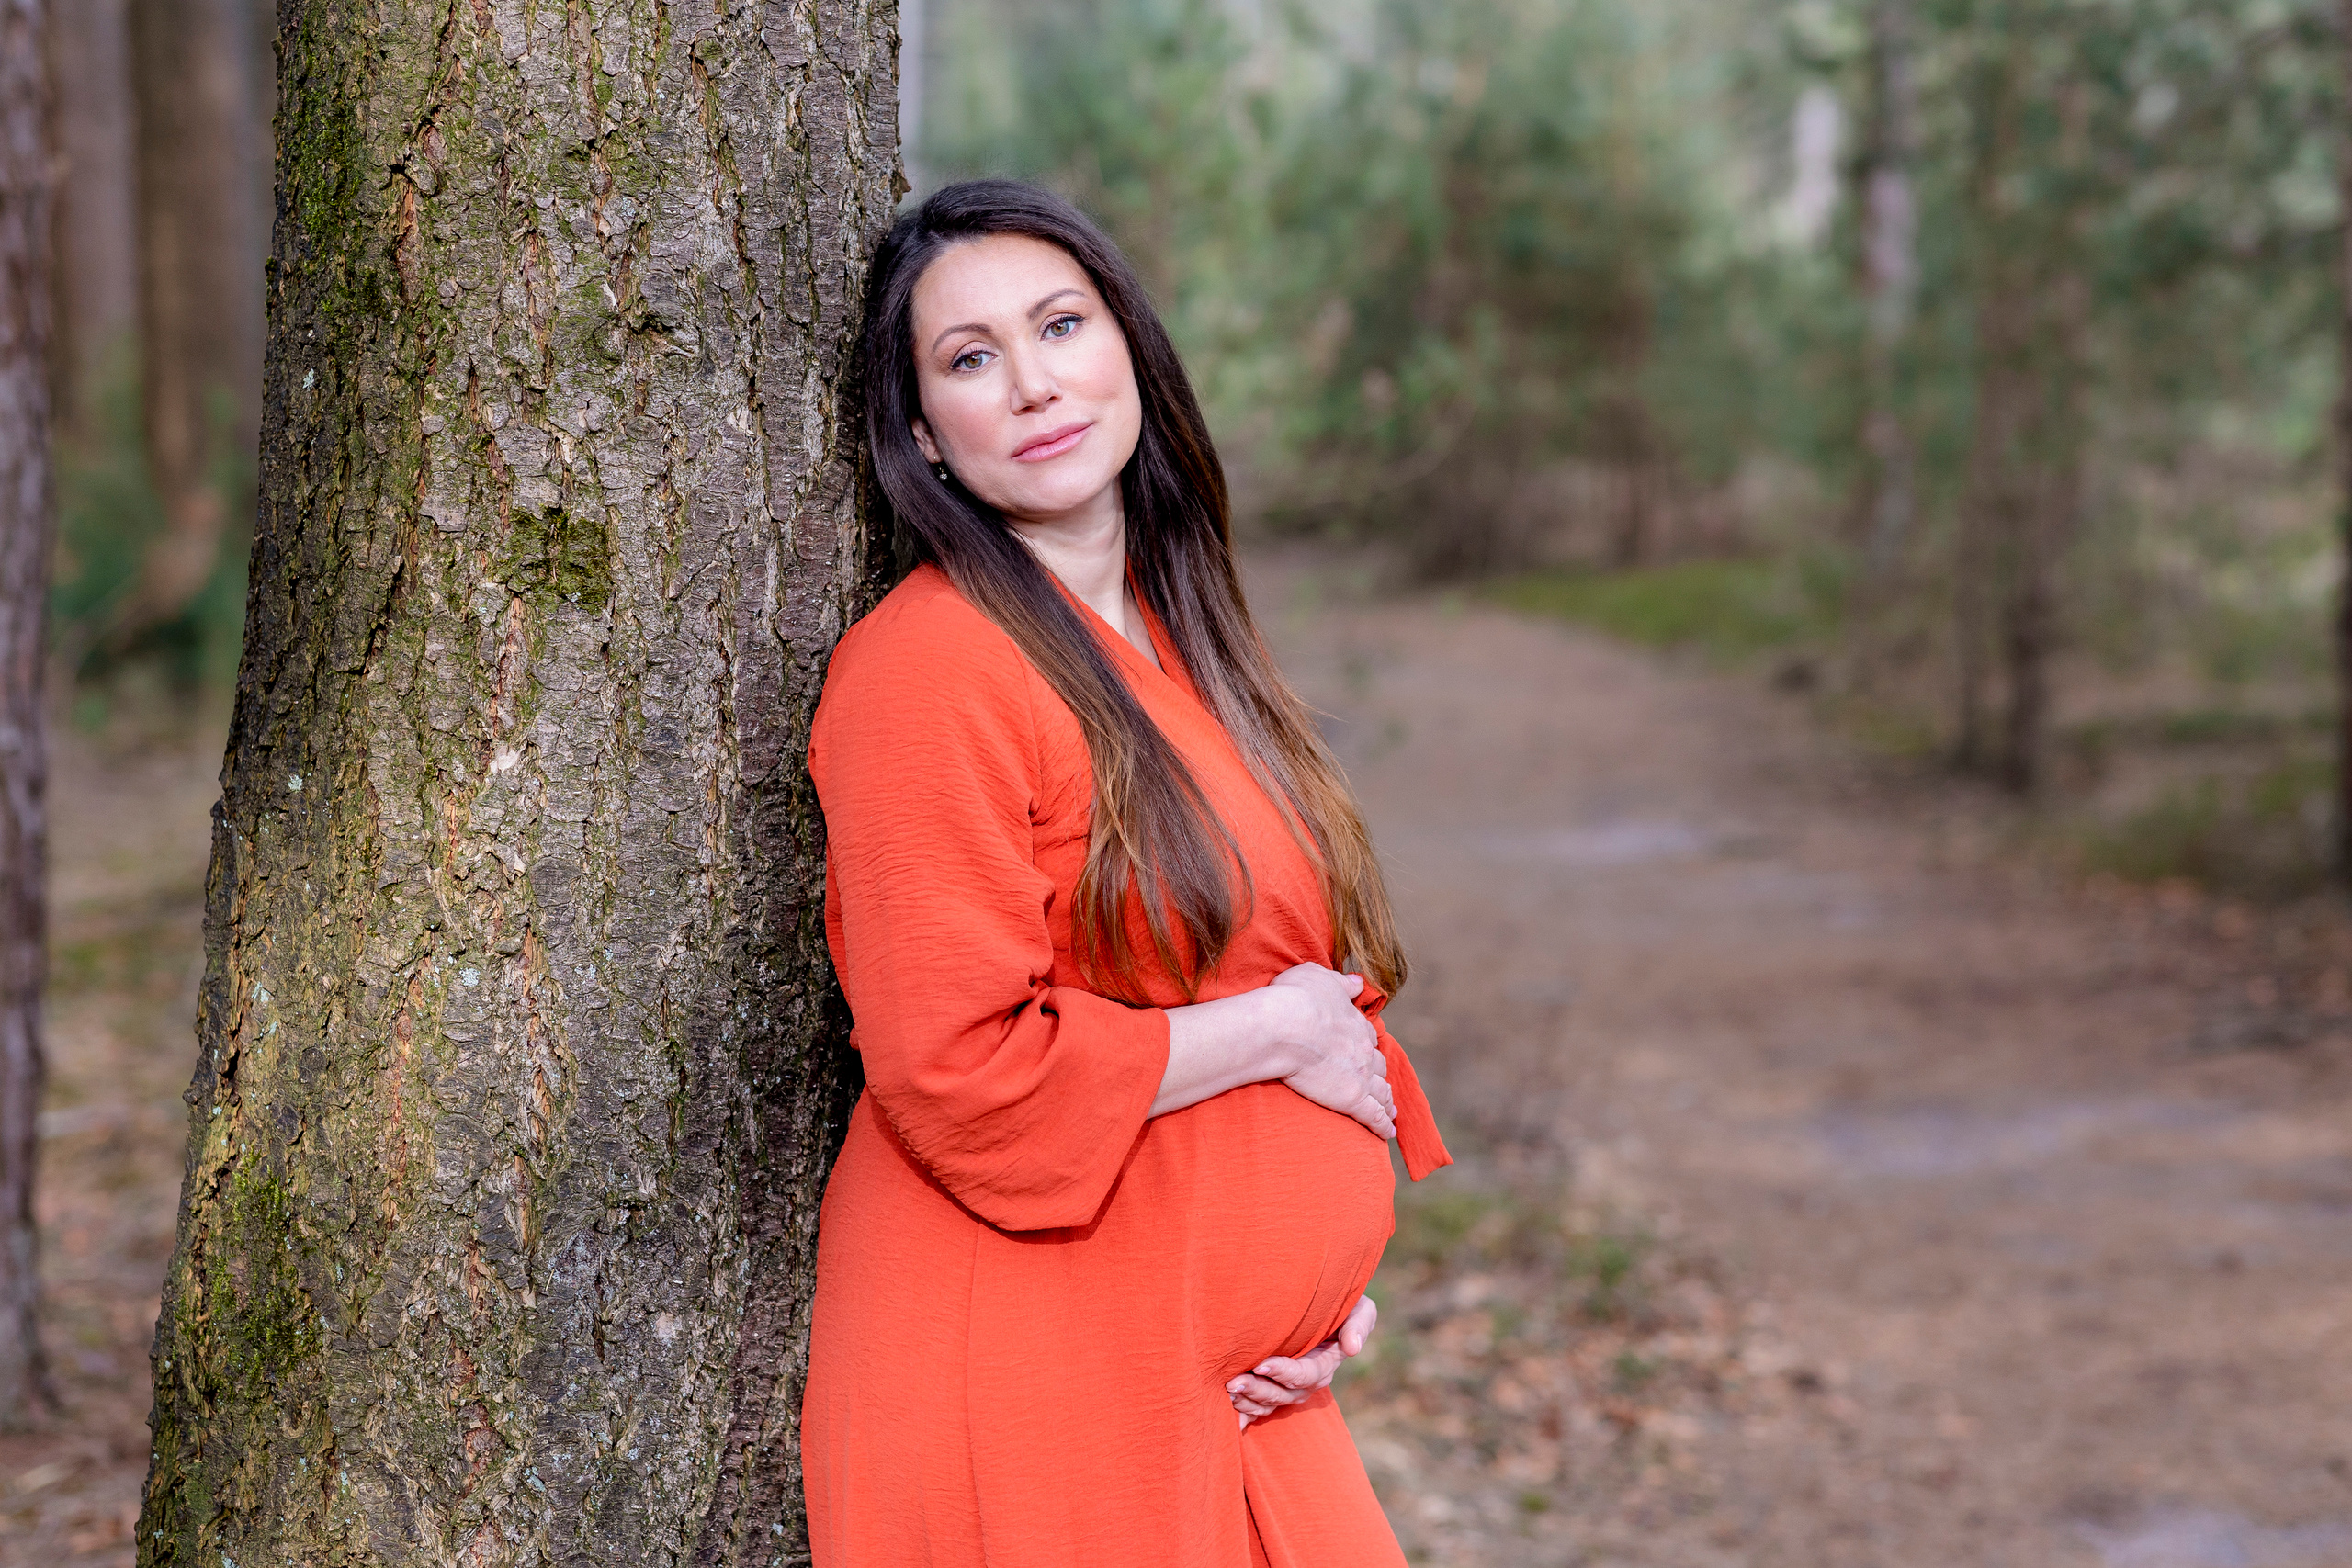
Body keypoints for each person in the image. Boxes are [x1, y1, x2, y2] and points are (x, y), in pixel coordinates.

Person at [800, 179, 1451, 1568]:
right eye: (971, 359)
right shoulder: (932, 671)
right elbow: (958, 1063)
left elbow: (1291, 961)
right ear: (923, 431)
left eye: (1060, 325)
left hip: (1232, 1386)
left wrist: (1321, 1291)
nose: (1033, 383)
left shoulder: (1183, 634)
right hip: (1038, 1365)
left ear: (1129, 350)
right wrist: (1271, 1034)